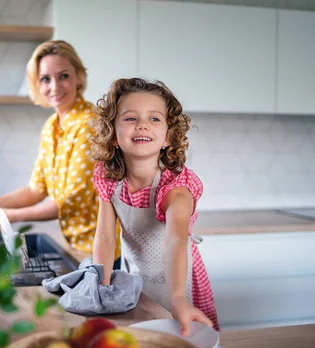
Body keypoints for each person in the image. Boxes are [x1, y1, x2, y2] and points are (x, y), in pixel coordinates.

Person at [0, 40, 120, 263]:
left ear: (79, 77)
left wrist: (3, 216)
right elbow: (37, 189)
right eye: (46, 79)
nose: (54, 87)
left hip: (105, 248)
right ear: (37, 84)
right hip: (78, 245)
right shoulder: (52, 126)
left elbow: (67, 203)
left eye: (63, 76)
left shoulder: (90, 125)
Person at [89, 77, 219, 334]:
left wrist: (178, 299)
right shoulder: (109, 180)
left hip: (180, 286)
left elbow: (175, 240)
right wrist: (101, 290)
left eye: (154, 119)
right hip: (137, 284)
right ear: (113, 135)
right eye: (130, 118)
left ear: (169, 137)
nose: (142, 126)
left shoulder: (176, 187)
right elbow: (105, 236)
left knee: (182, 345)